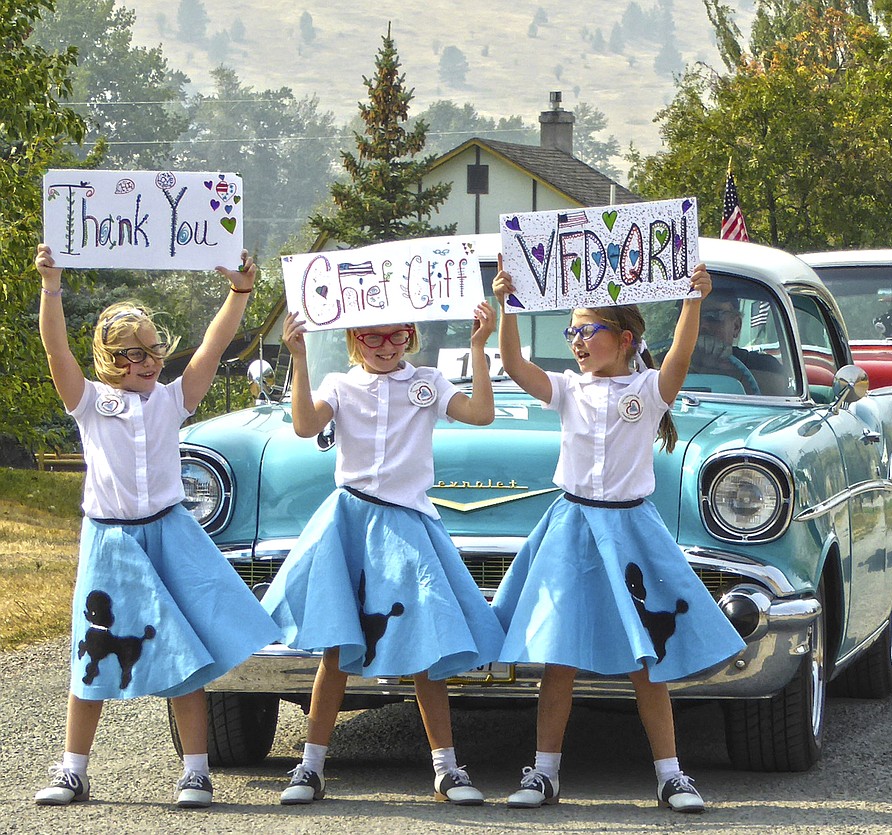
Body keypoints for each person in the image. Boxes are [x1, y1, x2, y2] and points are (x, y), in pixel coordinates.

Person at [490, 258, 747, 814]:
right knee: (559, 656)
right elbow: (512, 364)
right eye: (572, 332)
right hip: (573, 527)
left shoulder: (651, 390)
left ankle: (671, 775)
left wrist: (692, 300)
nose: (578, 341)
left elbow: (679, 354)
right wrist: (509, 305)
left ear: (625, 339)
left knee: (645, 655)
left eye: (589, 330)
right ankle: (544, 773)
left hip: (630, 531)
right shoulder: (565, 389)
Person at [32, 244, 280, 809]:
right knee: (90, 652)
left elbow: (214, 349)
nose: (140, 364)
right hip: (111, 540)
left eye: (149, 351)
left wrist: (239, 293)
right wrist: (52, 288)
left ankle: (195, 771)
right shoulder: (90, 403)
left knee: (185, 652)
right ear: (105, 360)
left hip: (169, 535)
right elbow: (55, 352)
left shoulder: (172, 400)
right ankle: (74, 768)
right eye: (124, 355)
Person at [263, 305, 505, 807]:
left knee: (425, 646)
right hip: (350, 521)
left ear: (411, 335)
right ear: (355, 338)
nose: (387, 346)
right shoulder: (338, 384)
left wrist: (480, 347)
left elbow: (482, 414)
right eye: (374, 338)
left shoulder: (429, 382)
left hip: (407, 523)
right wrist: (299, 357)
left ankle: (446, 769)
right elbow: (306, 427)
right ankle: (311, 766)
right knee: (337, 646)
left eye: (397, 335)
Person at [687, 289, 788, 395]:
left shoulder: (763, 366)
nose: (702, 326)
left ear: (736, 326)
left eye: (713, 316)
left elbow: (776, 399)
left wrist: (724, 369)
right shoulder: (668, 362)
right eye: (690, 317)